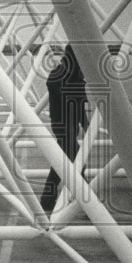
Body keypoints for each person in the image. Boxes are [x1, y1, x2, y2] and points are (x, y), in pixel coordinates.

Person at [40, 42, 89, 214]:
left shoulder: (73, 76)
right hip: (62, 125)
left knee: (61, 162)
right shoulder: (59, 74)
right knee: (77, 162)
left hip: (69, 124)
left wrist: (86, 124)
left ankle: (47, 200)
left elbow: (80, 103)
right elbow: (59, 89)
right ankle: (86, 202)